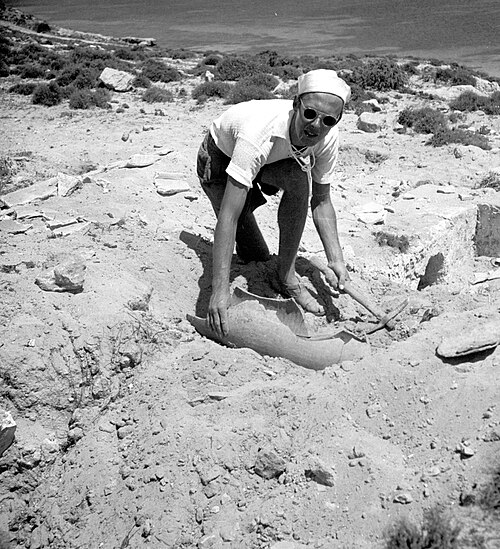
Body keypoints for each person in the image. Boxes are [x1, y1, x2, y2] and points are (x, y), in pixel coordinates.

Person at [196, 68, 351, 338]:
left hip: (272, 161)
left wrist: (336, 259)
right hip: (220, 161)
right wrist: (218, 292)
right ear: (296, 105)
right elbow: (228, 217)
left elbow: (322, 201)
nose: (316, 126)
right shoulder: (258, 134)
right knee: (254, 252)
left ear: (336, 121)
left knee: (301, 181)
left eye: (328, 120)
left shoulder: (327, 138)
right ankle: (253, 228)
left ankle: (286, 276)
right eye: (310, 114)